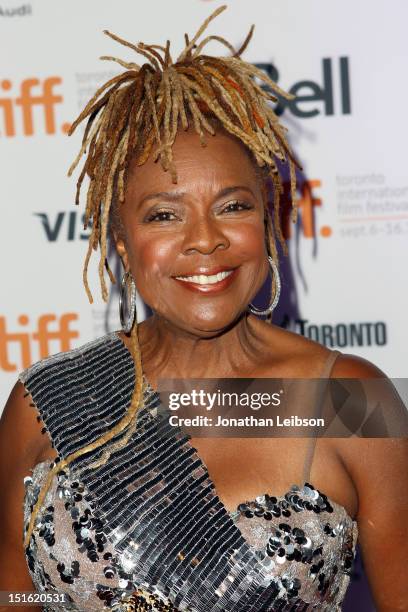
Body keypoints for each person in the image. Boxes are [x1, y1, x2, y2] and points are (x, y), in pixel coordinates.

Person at [0, 6, 407, 611]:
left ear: (269, 216)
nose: (204, 239)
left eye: (234, 206)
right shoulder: (47, 406)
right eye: (164, 214)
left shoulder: (352, 403)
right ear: (120, 238)